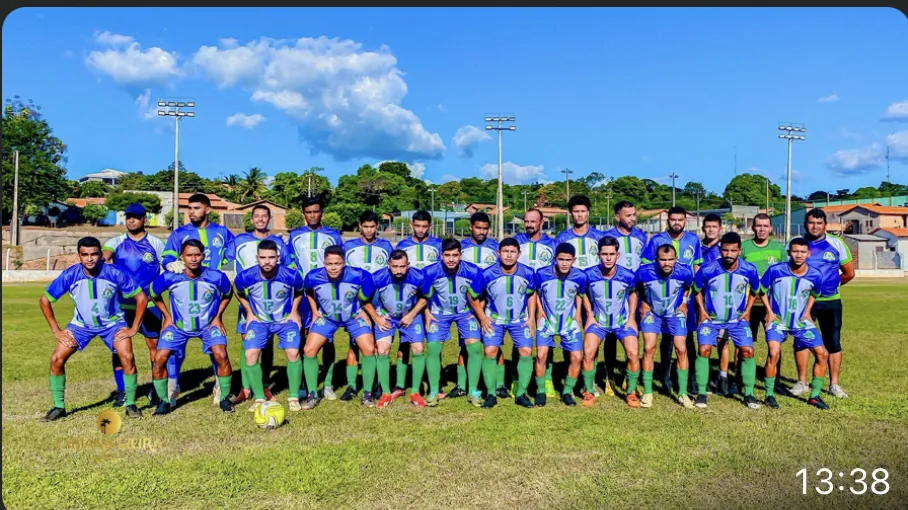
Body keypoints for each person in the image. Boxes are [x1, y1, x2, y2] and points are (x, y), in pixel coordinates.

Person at [39, 237, 147, 421]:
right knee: (56, 359)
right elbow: (44, 300)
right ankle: (58, 406)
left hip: (113, 325)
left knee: (127, 357)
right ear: (78, 256)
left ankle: (131, 404)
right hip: (81, 326)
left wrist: (133, 328)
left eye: (94, 254)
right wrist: (56, 331)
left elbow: (141, 298)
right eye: (85, 255)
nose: (90, 258)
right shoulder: (70, 274)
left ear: (100, 255)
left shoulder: (114, 273)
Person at [161, 193, 236, 405]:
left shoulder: (222, 232)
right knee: (175, 345)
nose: (191, 212)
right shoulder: (179, 233)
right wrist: (169, 264)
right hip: (184, 293)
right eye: (189, 208)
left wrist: (228, 271)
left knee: (216, 343)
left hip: (211, 293)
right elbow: (167, 256)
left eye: (196, 208)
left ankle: (219, 386)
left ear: (208, 209)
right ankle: (173, 385)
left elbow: (232, 256)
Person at [149, 239, 235, 415]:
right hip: (178, 327)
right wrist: (166, 316)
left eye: (197, 254)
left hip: (208, 325)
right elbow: (153, 293)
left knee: (221, 355)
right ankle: (164, 401)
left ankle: (224, 397)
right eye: (189, 255)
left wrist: (218, 317)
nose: (194, 259)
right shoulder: (169, 277)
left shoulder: (216, 276)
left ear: (203, 256)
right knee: (159, 359)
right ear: (182, 257)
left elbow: (228, 294)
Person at [102, 203, 172, 408]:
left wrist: (172, 265)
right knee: (120, 349)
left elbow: (167, 263)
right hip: (121, 306)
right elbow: (106, 253)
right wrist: (104, 260)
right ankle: (123, 391)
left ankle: (157, 391)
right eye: (128, 217)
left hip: (149, 305)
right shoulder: (116, 241)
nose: (131, 220)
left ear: (144, 220)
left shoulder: (156, 243)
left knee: (155, 348)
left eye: (136, 217)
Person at [300, 245, 378, 410]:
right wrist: (314, 312)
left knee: (369, 349)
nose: (333, 267)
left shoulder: (359, 275)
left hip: (353, 317)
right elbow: (308, 291)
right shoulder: (313, 277)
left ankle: (368, 394)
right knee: (309, 350)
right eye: (329, 264)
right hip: (328, 318)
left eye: (337, 263)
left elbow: (367, 291)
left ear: (344, 262)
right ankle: (312, 394)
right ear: (324, 263)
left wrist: (364, 309)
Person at [232, 204, 293, 406]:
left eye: (263, 216)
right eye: (256, 216)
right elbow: (221, 257)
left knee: (266, 346)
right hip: (249, 303)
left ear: (269, 219)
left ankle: (264, 385)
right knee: (247, 343)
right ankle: (245, 387)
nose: (260, 220)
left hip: (273, 303)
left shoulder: (278, 242)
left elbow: (289, 266)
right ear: (251, 219)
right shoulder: (239, 240)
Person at [233, 240, 306, 412]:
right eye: (263, 257)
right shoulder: (246, 276)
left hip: (284, 322)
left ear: (278, 257)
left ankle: (294, 396)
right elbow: (236, 289)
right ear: (257, 258)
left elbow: (300, 290)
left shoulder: (290, 275)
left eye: (271, 257)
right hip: (259, 321)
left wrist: (295, 311)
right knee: (250, 354)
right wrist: (249, 312)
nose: (267, 261)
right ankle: (259, 398)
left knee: (293, 353)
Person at [693, 232, 762, 409]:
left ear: (739, 250)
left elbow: (755, 291)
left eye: (733, 250)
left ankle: (749, 394)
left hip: (737, 320)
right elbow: (697, 290)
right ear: (720, 250)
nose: (729, 254)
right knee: (704, 349)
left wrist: (747, 310)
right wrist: (701, 311)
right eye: (725, 250)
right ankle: (701, 393)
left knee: (748, 351)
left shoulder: (749, 269)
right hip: (712, 319)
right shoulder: (708, 269)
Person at [760, 237, 830, 410]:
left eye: (802, 252)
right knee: (773, 353)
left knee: (822, 354)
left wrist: (807, 311)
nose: (798, 255)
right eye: (795, 251)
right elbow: (761, 290)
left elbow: (815, 292)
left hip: (801, 322)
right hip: (778, 320)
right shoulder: (776, 270)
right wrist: (768, 311)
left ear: (808, 253)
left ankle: (814, 396)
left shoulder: (815, 274)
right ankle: (769, 395)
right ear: (789, 252)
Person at [469, 238, 537, 409]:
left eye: (512, 252)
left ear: (519, 254)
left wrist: (531, 318)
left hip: (519, 320)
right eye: (505, 251)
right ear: (498, 253)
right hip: (495, 320)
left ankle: (521, 394)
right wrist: (482, 318)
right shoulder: (487, 273)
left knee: (526, 351)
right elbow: (472, 295)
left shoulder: (528, 273)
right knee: (490, 351)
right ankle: (491, 394)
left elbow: (532, 294)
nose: (508, 255)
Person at [288, 195, 344, 400]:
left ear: (322, 213)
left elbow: (339, 262)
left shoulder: (333, 235)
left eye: (316, 211)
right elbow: (290, 262)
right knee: (302, 337)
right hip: (302, 296)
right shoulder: (294, 235)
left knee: (327, 339)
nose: (312, 215)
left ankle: (327, 384)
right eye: (308, 212)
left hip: (325, 294)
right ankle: (304, 382)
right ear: (304, 214)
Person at [641, 206, 701, 396]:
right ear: (668, 220)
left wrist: (692, 295)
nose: (677, 222)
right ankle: (665, 379)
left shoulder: (693, 240)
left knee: (686, 341)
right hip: (660, 300)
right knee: (665, 341)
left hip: (686, 300)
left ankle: (690, 381)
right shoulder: (657, 240)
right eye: (673, 219)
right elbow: (646, 267)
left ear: (685, 220)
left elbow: (697, 267)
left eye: (680, 219)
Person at [794, 208, 854, 399]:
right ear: (805, 224)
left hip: (830, 302)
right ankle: (802, 382)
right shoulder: (797, 244)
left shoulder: (837, 243)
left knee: (833, 342)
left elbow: (849, 273)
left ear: (825, 225)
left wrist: (832, 286)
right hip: (802, 304)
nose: (815, 226)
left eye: (819, 223)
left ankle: (834, 385)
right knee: (802, 341)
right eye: (812, 222)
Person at [361, 249, 429, 408]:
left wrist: (411, 315)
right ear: (388, 265)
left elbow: (426, 296)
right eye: (395, 266)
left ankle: (415, 392)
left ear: (408, 266)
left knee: (418, 349)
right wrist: (376, 317)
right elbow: (363, 298)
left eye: (402, 266)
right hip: (387, 317)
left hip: (410, 316)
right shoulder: (377, 277)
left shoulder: (418, 276)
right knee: (383, 350)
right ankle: (386, 392)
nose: (399, 270)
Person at [422, 239, 484, 405]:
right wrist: (427, 313)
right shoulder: (429, 272)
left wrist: (478, 315)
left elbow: (479, 296)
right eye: (447, 255)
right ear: (441, 255)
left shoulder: (473, 271)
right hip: (439, 314)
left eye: (455, 255)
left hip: (465, 314)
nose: (451, 259)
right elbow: (423, 297)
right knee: (433, 349)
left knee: (475, 348)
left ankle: (473, 391)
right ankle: (434, 391)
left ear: (460, 255)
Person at [582, 236, 641, 408]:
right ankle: (588, 391)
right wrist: (589, 316)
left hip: (622, 322)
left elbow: (633, 293)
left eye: (612, 254)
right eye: (604, 254)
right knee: (589, 351)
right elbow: (582, 293)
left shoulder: (627, 275)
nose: (608, 258)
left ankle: (630, 392)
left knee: (632, 353)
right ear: (598, 254)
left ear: (618, 255)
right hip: (598, 323)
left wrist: (631, 319)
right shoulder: (589, 274)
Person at [343, 210, 395, 399]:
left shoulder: (385, 246)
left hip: (379, 302)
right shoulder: (348, 246)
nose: (369, 230)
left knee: (379, 343)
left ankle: (378, 384)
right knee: (354, 344)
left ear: (377, 227)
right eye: (365, 226)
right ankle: (350, 386)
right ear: (360, 226)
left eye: (372, 226)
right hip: (356, 302)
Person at [599, 200, 648, 398]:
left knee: (633, 334)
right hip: (613, 293)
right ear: (617, 216)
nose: (633, 218)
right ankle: (610, 378)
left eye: (634, 214)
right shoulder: (607, 237)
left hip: (635, 293)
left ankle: (630, 379)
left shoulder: (641, 236)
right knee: (610, 336)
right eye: (628, 215)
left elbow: (645, 264)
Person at [637, 244, 695, 408]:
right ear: (657, 259)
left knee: (681, 349)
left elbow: (688, 286)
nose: (667, 263)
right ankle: (648, 392)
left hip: (674, 312)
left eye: (670, 259)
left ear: (676, 259)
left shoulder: (684, 271)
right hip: (652, 313)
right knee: (649, 348)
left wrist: (683, 302)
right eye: (663, 260)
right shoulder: (644, 272)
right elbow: (637, 287)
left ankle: (682, 393)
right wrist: (644, 303)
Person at [395, 210, 443, 401]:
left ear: (430, 227)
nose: (421, 229)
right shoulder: (403, 245)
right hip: (409, 301)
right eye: (417, 226)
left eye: (425, 226)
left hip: (432, 301)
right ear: (412, 225)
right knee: (405, 342)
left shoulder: (438, 245)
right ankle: (400, 383)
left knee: (433, 342)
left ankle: (434, 384)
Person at [741, 213, 788, 397]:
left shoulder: (779, 249)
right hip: (748, 306)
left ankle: (775, 381)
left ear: (770, 228)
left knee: (775, 346)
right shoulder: (744, 247)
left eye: (765, 226)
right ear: (753, 227)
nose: (761, 229)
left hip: (773, 308)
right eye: (758, 225)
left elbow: (785, 275)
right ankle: (740, 381)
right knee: (743, 344)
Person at [534, 243, 587, 407]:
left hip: (569, 322)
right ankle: (540, 391)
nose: (564, 263)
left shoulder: (580, 276)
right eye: (561, 259)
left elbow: (580, 293)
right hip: (547, 320)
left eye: (568, 260)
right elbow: (535, 292)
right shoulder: (541, 274)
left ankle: (566, 392)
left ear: (574, 260)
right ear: (555, 259)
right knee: (541, 355)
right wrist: (539, 310)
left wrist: (578, 312)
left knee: (577, 357)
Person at [514, 208, 559, 399]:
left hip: (545, 298)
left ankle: (546, 379)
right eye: (526, 221)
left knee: (545, 340)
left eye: (533, 221)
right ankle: (518, 380)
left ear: (542, 222)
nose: (529, 224)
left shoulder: (552, 244)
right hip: (519, 297)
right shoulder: (517, 241)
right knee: (520, 338)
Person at [459, 212, 504, 396]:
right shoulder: (461, 247)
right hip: (466, 302)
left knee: (493, 342)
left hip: (491, 303)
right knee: (466, 344)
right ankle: (462, 385)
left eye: (485, 228)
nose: (481, 231)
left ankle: (499, 384)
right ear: (471, 227)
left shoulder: (495, 247)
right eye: (478, 228)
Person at [698, 213, 735, 396]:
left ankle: (722, 377)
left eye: (714, 226)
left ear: (720, 229)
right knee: (702, 342)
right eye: (708, 226)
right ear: (703, 228)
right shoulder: (698, 248)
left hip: (721, 302)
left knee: (722, 341)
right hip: (702, 300)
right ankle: (700, 379)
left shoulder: (725, 249)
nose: (711, 229)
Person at [556, 194, 604, 271]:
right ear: (571, 213)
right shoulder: (562, 238)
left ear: (588, 212)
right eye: (576, 211)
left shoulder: (599, 236)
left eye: (583, 211)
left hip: (594, 279)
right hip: (572, 280)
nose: (580, 215)